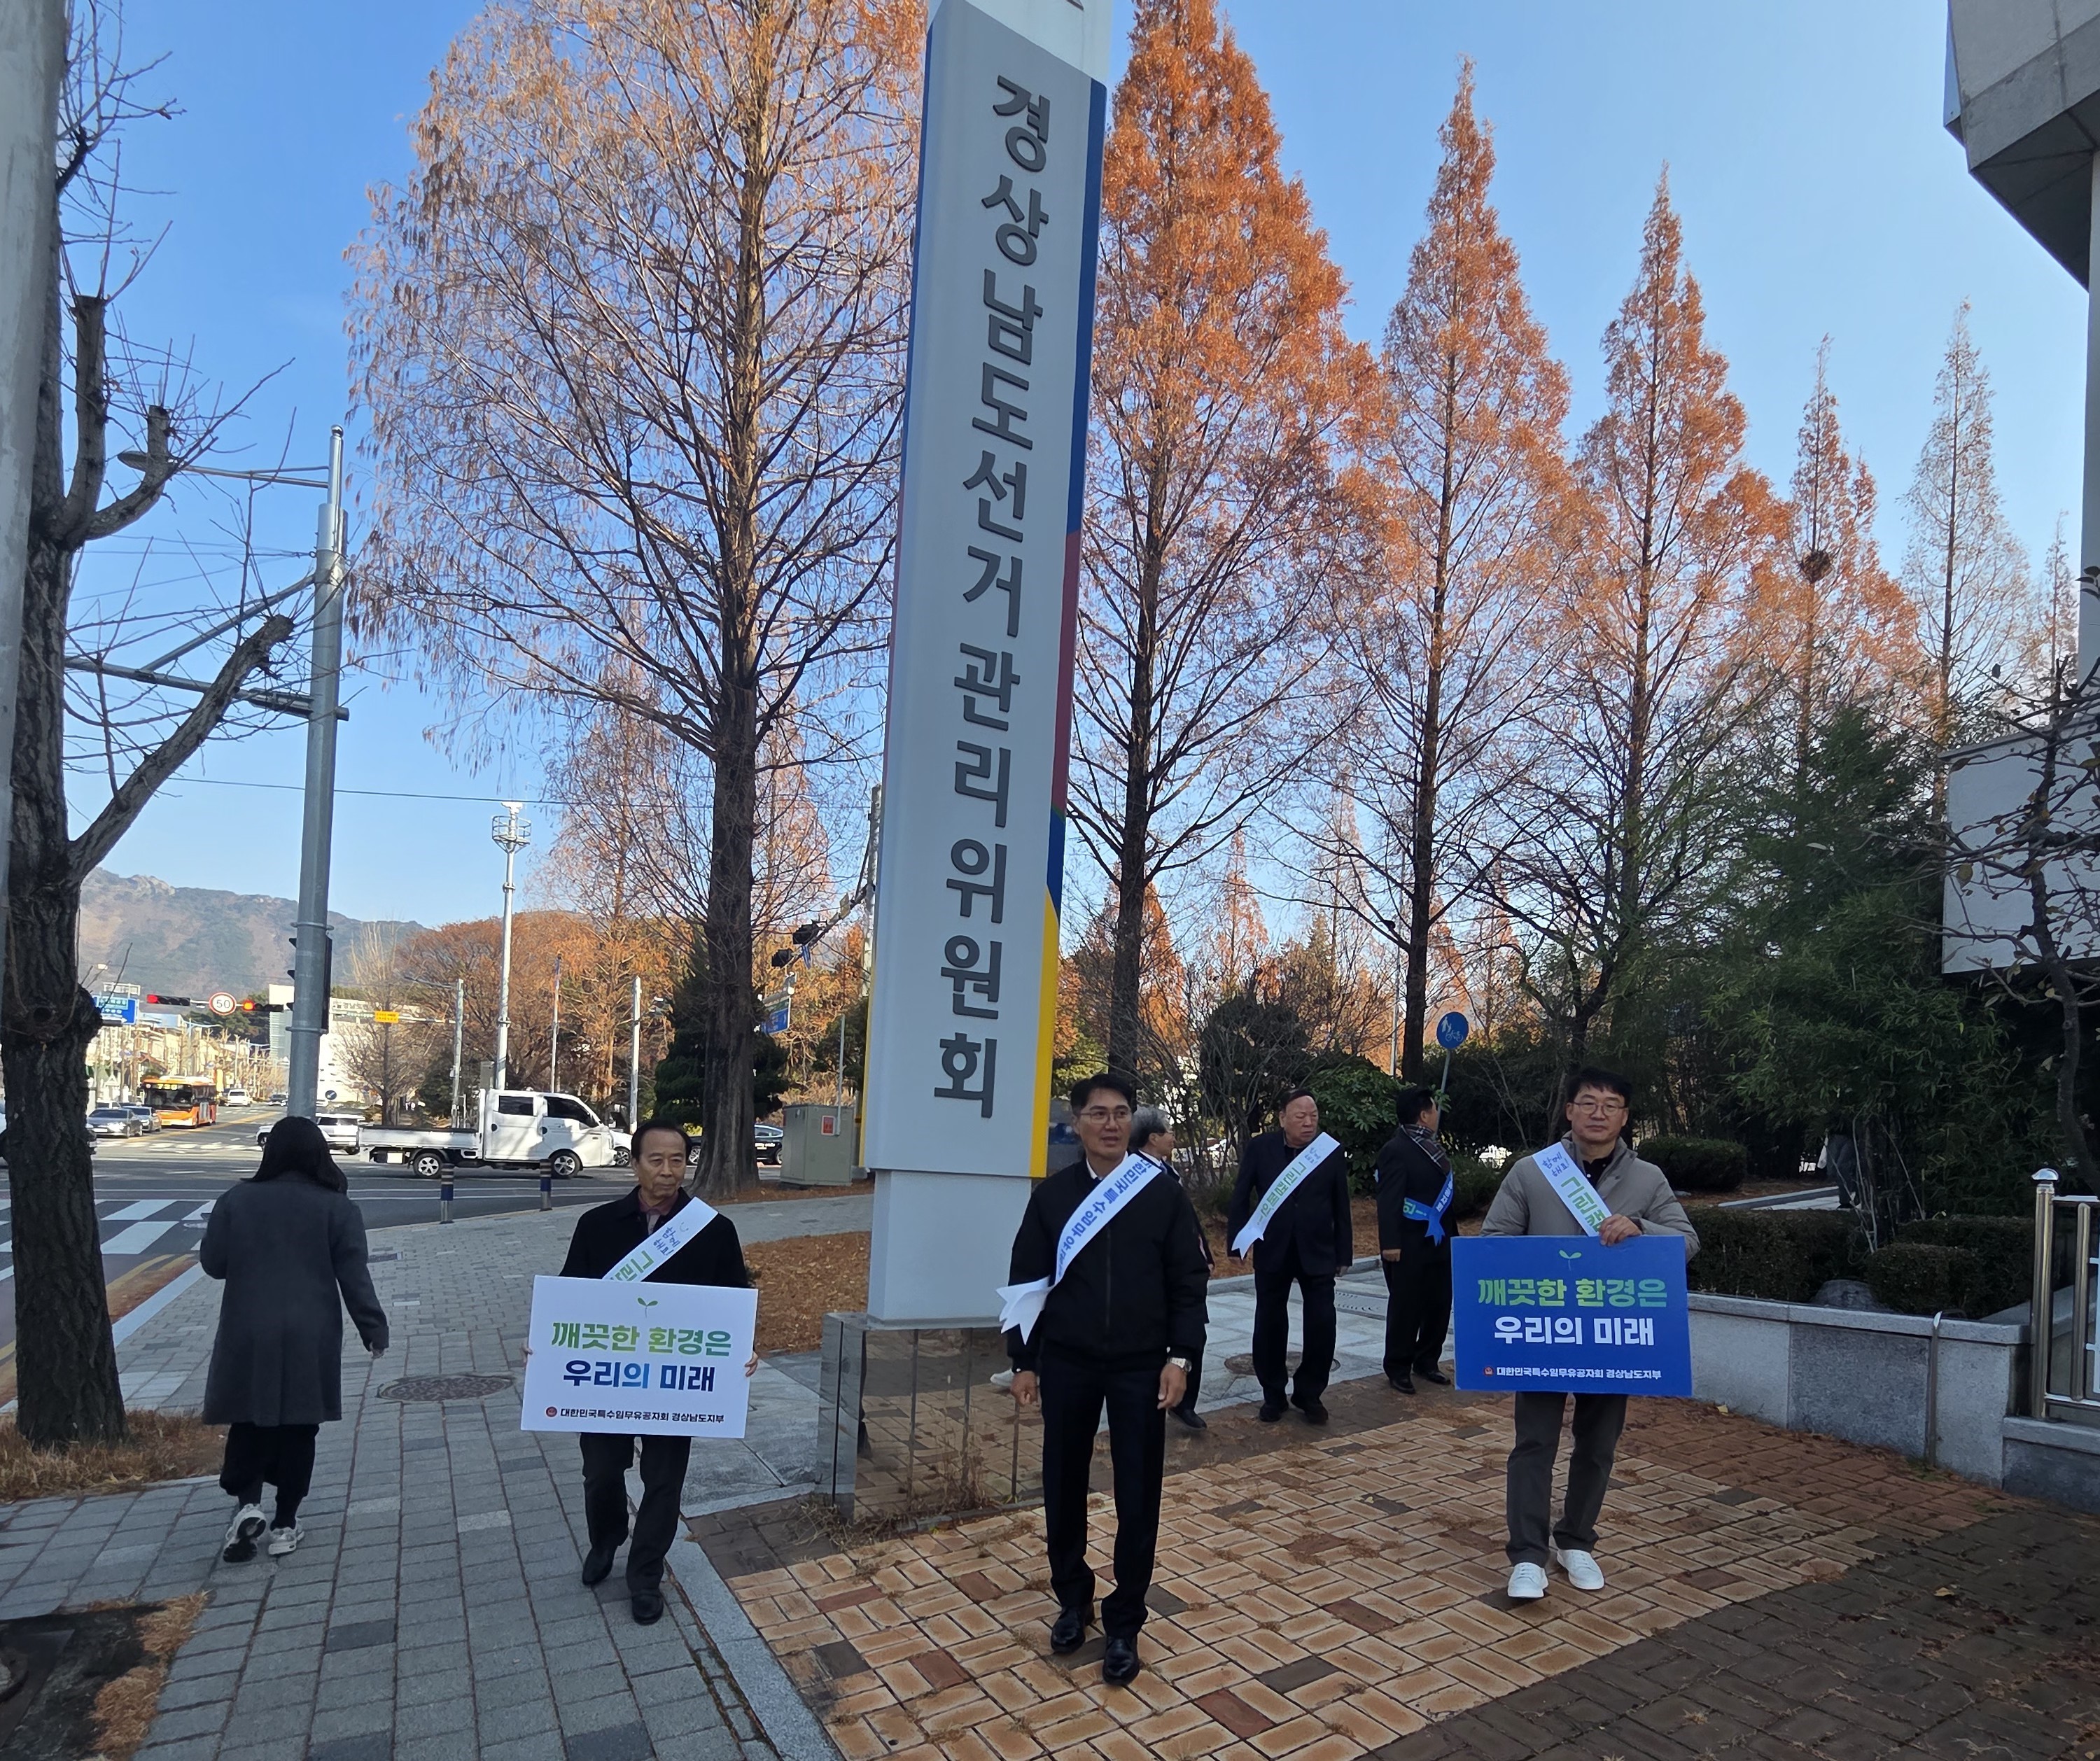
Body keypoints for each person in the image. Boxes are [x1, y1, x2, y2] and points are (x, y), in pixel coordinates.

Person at [1006, 1074, 1210, 1687]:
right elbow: (1026, 1281)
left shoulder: (1161, 1193)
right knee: (1063, 1480)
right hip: (1068, 1361)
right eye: (1098, 1113)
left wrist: (1182, 1357)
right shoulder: (1053, 1197)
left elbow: (1188, 1280)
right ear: (1077, 1123)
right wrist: (1023, 1360)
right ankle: (1073, 1598)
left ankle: (1125, 1621)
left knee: (1139, 1490)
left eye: (1121, 1113)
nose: (1111, 1124)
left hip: (1140, 1363)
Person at [1482, 1067, 1699, 1603]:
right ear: (1570, 1111)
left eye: (1611, 1104)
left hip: (1610, 1336)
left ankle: (1576, 1540)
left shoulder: (1647, 1179)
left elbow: (1686, 1240)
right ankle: (1527, 1555)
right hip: (1544, 1333)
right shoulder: (1533, 1172)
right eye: (1588, 1102)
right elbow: (1495, 1241)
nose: (1598, 1113)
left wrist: (1642, 1229)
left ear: (1625, 1117)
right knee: (1534, 1443)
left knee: (1598, 1444)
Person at [558, 1117, 754, 1625]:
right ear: (635, 1163)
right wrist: (545, 1346)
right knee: (601, 1471)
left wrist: (742, 1352)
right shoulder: (598, 1225)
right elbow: (569, 1298)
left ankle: (645, 1575)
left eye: (677, 1160)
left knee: (663, 1481)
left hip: (674, 1384)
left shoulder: (713, 1230)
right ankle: (606, 1539)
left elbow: (733, 1303)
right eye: (656, 1160)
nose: (668, 1171)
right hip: (609, 1377)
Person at [202, 1115, 388, 1564]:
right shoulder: (337, 1207)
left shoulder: (236, 1200)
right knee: (300, 1426)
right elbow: (354, 1276)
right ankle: (285, 1524)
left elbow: (214, 1264)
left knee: (249, 1418)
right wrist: (373, 1329)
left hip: (248, 1329)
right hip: (311, 1332)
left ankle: (247, 1506)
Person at [1226, 1090, 1353, 1424]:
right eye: (1300, 1116)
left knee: (1322, 1324)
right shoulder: (1261, 1148)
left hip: (1318, 1251)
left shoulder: (1329, 1150)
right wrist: (1236, 1242)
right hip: (1273, 1248)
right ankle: (1273, 1394)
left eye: (1314, 1116)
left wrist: (1344, 1251)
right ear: (1282, 1118)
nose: (1309, 1122)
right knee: (1269, 1323)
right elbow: (1241, 1195)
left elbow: (1341, 1204)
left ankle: (1309, 1393)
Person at [1132, 1105, 1213, 1430]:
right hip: (1156, 1274)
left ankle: (1183, 1402)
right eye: (1168, 1131)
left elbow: (1188, 1221)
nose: (1173, 1137)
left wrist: (1204, 1254)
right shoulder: (1133, 1174)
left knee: (1193, 1334)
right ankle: (1164, 1398)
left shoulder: (1166, 1170)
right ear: (1152, 1138)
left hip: (1182, 1268)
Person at [1374, 1086, 1455, 1394]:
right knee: (1406, 1307)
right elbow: (1389, 1199)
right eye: (1434, 1109)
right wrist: (1390, 1243)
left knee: (1439, 1304)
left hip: (1439, 1241)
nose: (1437, 1114)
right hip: (1408, 1244)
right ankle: (1398, 1366)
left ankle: (1427, 1360)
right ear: (1423, 1115)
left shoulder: (1433, 1148)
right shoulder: (1395, 1150)